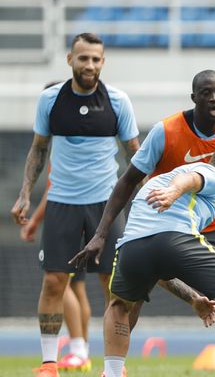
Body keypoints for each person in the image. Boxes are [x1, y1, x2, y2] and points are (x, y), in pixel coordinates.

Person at [72, 69, 215, 377]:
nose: (214, 98)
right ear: (194, 97)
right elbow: (127, 182)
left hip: (213, 224)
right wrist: (101, 234)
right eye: (206, 92)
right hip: (167, 220)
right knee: (128, 302)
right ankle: (114, 369)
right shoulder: (166, 130)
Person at [10, 33, 141, 377]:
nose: (90, 65)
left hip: (107, 205)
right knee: (55, 282)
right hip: (62, 202)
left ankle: (114, 366)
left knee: (114, 286)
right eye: (83, 58)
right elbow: (38, 149)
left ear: (103, 61)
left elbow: (135, 156)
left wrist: (144, 200)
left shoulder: (118, 101)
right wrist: (25, 193)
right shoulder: (50, 100)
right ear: (70, 60)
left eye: (96, 59)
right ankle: (50, 363)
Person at [21, 189, 93, 372]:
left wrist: (35, 220)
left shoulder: (60, 160)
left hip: (69, 214)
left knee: (60, 283)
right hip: (87, 213)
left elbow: (54, 187)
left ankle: (78, 351)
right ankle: (82, 352)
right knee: (77, 286)